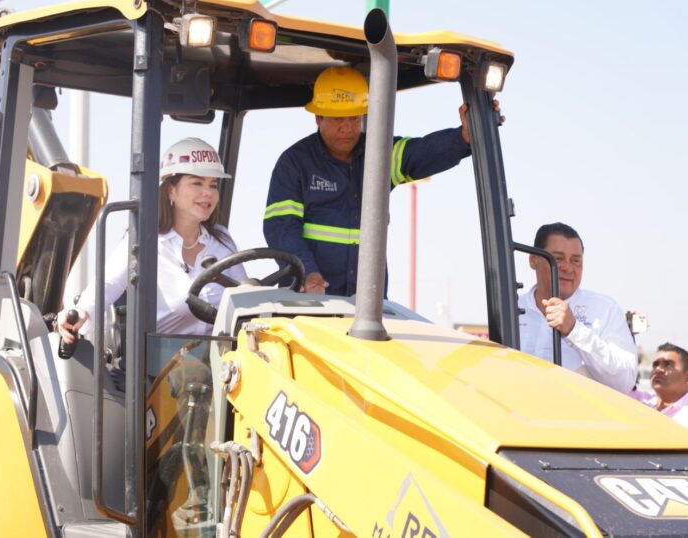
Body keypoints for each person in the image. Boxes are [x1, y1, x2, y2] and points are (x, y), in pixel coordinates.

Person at [263, 66, 502, 296]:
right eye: (337, 119)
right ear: (318, 118)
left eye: (354, 118)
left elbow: (422, 152)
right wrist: (307, 273)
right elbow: (281, 227)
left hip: (366, 305)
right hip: (308, 302)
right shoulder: (295, 164)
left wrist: (464, 137)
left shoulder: (378, 153)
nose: (347, 128)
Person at [58, 137, 246, 341]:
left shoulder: (222, 240)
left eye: (213, 185)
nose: (208, 193)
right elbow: (108, 284)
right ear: (171, 190)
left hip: (222, 354)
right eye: (197, 183)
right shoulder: (144, 240)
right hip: (162, 357)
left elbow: (245, 295)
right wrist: (82, 310)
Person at [517, 222, 637, 393]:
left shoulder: (604, 309)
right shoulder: (512, 310)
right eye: (558, 259)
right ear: (533, 260)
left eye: (576, 261)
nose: (568, 268)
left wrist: (574, 331)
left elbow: (624, 381)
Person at [633, 343, 688, 428]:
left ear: (686, 376)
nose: (658, 369)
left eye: (668, 365)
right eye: (655, 365)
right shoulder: (636, 400)